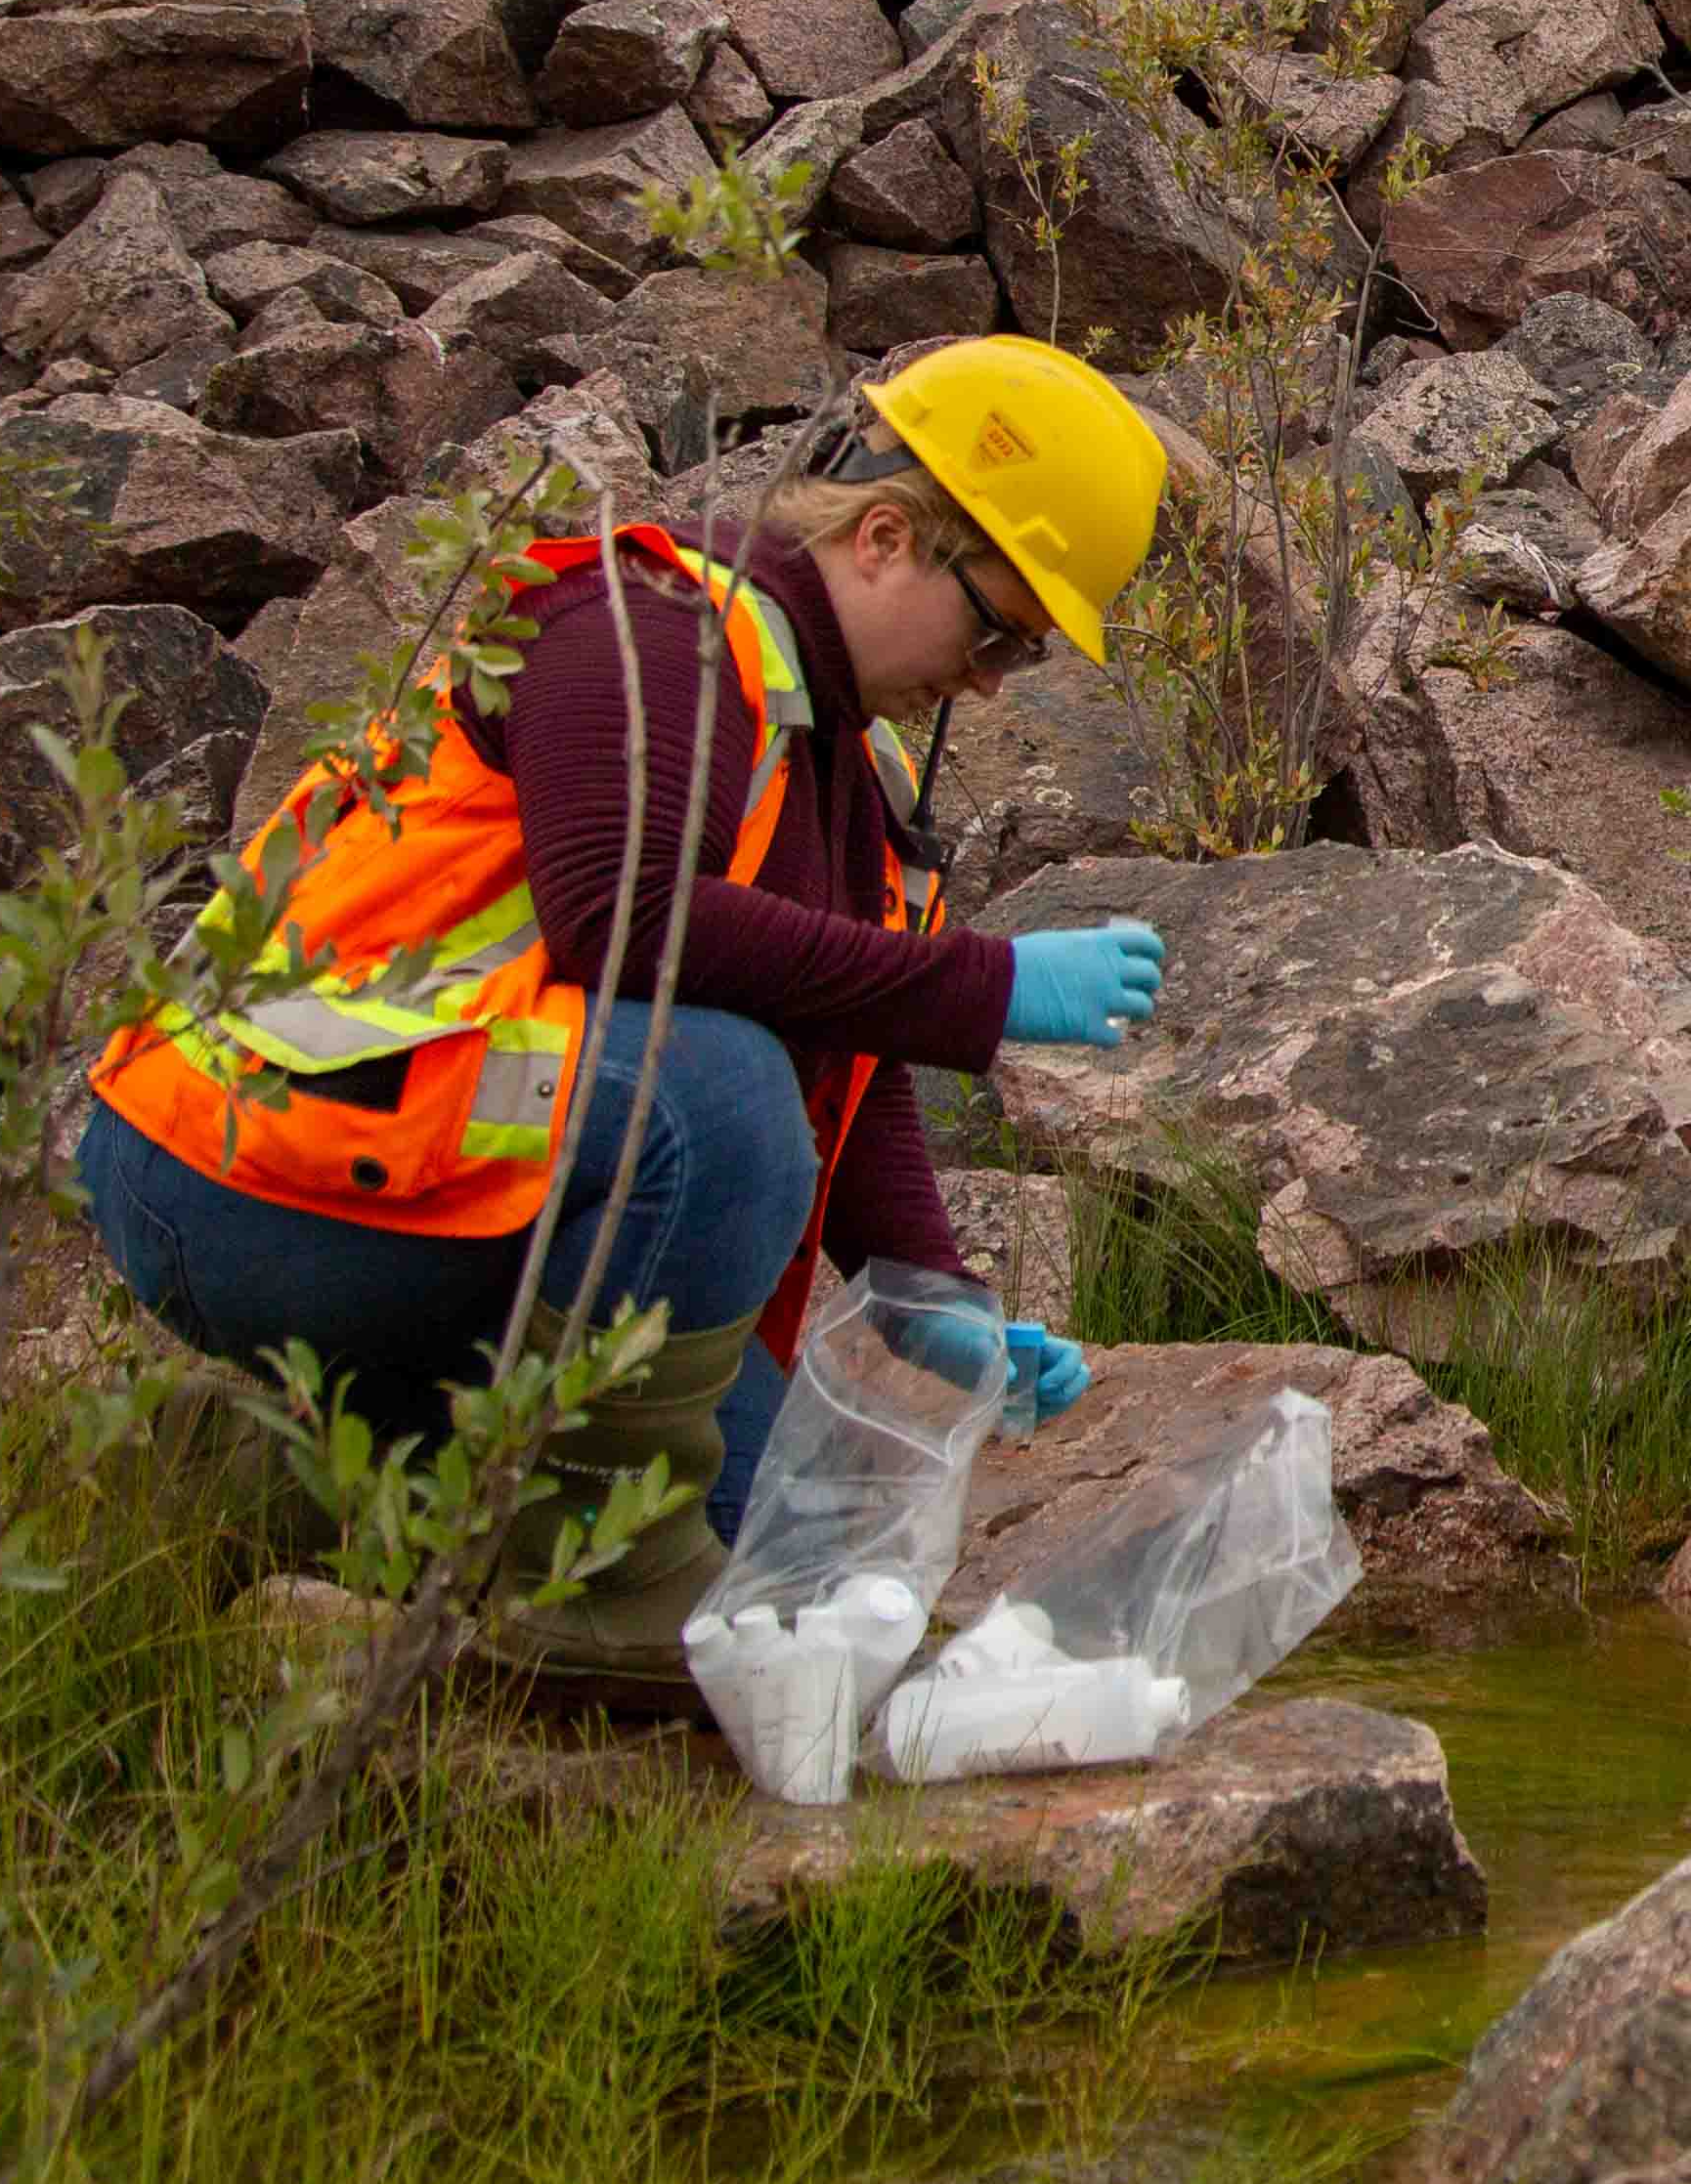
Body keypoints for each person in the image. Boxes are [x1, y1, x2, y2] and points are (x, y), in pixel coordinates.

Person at [77, 334, 1186, 1692]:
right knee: (712, 1091)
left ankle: (273, 1476)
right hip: (235, 1175)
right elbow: (632, 927)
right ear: (888, 537)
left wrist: (928, 1296)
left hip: (423, 1178)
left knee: (813, 1570)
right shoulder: (649, 635)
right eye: (1001, 629)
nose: (996, 681)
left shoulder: (845, 754)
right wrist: (993, 986)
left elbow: (853, 1053)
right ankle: (590, 1589)